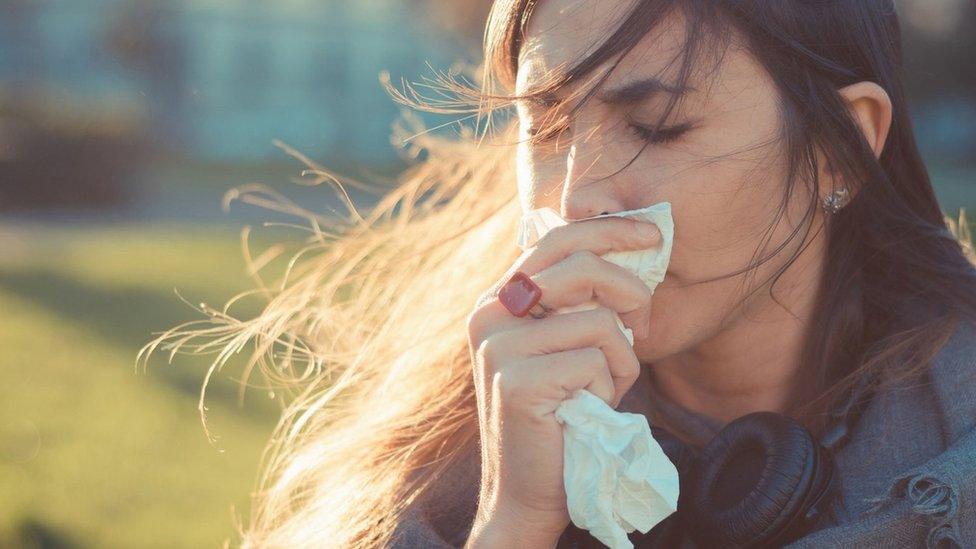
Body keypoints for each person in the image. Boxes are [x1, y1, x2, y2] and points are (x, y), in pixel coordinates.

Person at [141, 0, 976, 547]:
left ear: (841, 147)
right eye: (544, 130)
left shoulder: (955, 457)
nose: (575, 199)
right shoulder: (451, 451)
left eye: (656, 124)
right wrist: (512, 519)